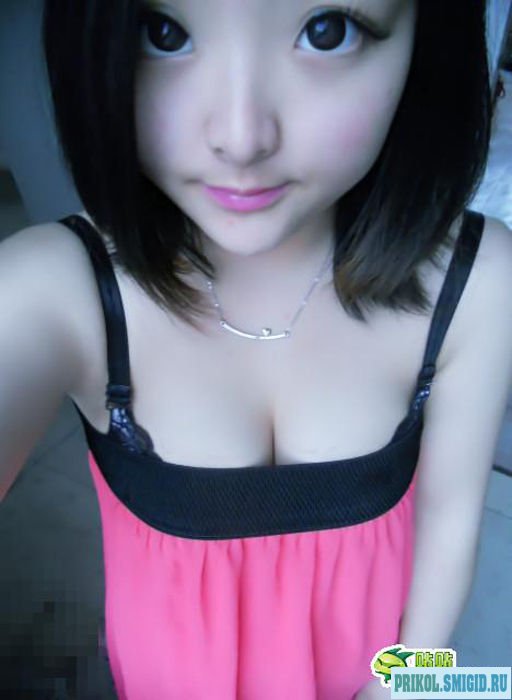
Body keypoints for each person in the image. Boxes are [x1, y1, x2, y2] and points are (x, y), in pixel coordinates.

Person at [1, 1, 511, 698]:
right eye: (164, 33)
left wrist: (409, 689)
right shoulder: (57, 290)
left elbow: (450, 523)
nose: (241, 138)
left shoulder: (476, 278)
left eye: (327, 31)